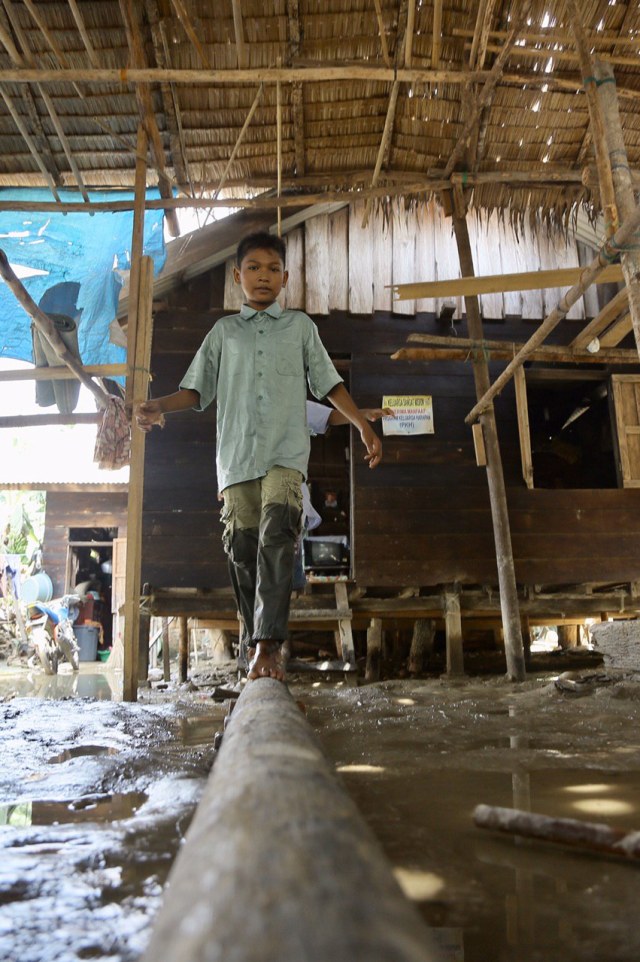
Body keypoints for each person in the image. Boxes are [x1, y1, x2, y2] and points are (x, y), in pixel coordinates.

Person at [134, 230, 383, 682]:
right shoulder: (223, 333)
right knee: (242, 549)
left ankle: (268, 645)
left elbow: (328, 383)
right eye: (254, 268)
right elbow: (196, 390)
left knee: (275, 537)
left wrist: (363, 424)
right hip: (234, 459)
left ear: (285, 278)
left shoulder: (301, 328)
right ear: (237, 276)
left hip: (285, 455)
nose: (263, 276)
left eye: (272, 269)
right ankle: (256, 643)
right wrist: (158, 405)